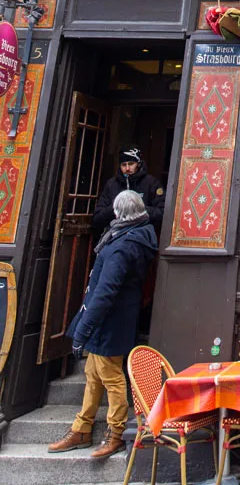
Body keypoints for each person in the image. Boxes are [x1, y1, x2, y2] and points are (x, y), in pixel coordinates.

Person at [48, 190, 158, 459]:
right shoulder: (130, 234)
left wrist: (84, 329)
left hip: (110, 318)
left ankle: (115, 432)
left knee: (110, 376)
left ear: (120, 213)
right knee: (93, 374)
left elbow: (106, 290)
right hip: (112, 317)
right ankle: (82, 427)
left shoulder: (123, 245)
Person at [94, 146, 165, 233]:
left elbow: (162, 214)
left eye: (131, 164)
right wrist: (116, 208)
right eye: (124, 165)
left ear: (138, 164)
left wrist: (136, 209)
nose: (127, 168)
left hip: (141, 234)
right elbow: (97, 218)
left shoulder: (151, 183)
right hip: (115, 234)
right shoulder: (111, 184)